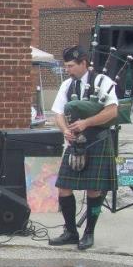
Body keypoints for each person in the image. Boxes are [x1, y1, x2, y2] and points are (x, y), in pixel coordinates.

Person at [49, 45, 118, 250]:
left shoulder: (102, 81)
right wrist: (65, 130)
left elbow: (113, 112)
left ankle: (89, 234)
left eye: (71, 66)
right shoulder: (67, 85)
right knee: (63, 188)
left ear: (84, 64)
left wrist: (86, 123)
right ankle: (71, 232)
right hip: (75, 143)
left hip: (97, 140)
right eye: (66, 66)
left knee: (94, 190)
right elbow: (58, 114)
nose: (68, 70)